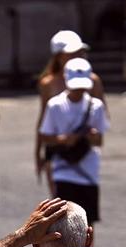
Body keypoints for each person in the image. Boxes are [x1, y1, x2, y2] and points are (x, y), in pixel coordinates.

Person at [39, 58, 110, 225]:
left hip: (88, 172)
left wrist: (92, 137)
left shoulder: (96, 106)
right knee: (66, 223)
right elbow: (45, 136)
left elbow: (99, 141)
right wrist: (62, 139)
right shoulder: (55, 105)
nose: (78, 90)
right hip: (63, 171)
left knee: (87, 224)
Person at [34, 30, 107, 191]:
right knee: (59, 201)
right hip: (56, 146)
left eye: (79, 52)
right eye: (72, 53)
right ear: (59, 56)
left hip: (83, 147)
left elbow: (102, 114)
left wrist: (90, 134)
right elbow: (43, 119)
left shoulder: (92, 81)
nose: (77, 56)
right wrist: (38, 153)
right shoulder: (48, 83)